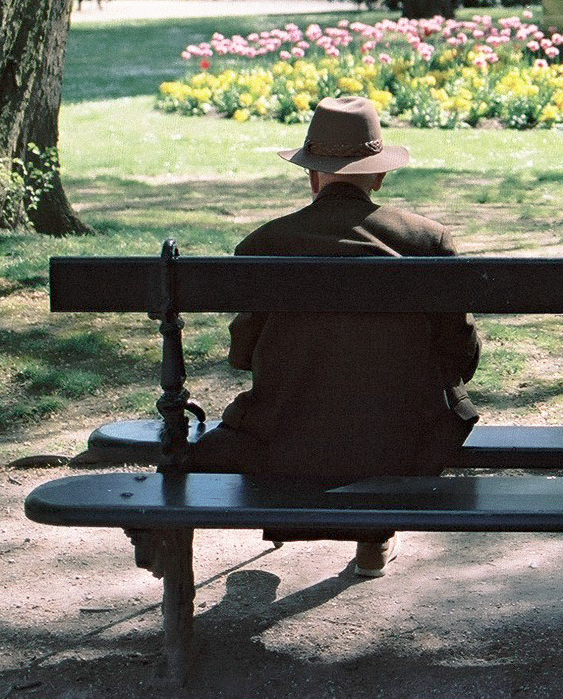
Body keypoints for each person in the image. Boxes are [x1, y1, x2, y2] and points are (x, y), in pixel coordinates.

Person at [185, 96, 481, 579]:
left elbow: (242, 354)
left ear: (311, 174)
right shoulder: (426, 240)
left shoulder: (265, 244)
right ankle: (373, 535)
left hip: (287, 438)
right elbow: (459, 355)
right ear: (380, 175)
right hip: (405, 441)